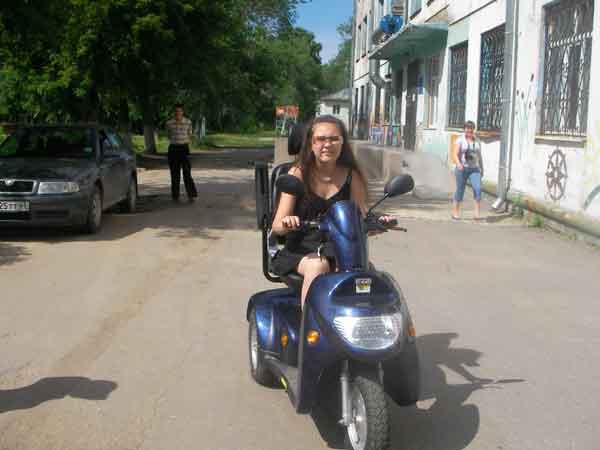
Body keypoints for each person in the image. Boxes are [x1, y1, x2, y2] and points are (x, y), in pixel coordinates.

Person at [271, 115, 392, 306]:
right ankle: (308, 322)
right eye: (320, 139)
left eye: (334, 139)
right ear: (311, 143)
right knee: (318, 266)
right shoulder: (298, 173)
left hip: (342, 250)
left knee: (367, 276)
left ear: (342, 143)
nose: (327, 144)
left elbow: (361, 217)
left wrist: (377, 223)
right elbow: (277, 226)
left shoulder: (352, 176)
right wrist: (287, 222)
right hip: (302, 249)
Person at [452, 121, 484, 220]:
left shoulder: (477, 141)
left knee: (478, 189)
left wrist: (482, 168)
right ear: (464, 129)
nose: (469, 130)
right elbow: (454, 154)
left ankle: (477, 214)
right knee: (460, 190)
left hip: (474, 169)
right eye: (467, 128)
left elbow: (479, 156)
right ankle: (455, 212)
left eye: (471, 128)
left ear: (473, 129)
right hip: (462, 169)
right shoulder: (460, 140)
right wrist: (458, 164)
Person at [166, 103, 198, 203]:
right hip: (173, 149)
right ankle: (175, 196)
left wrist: (190, 141)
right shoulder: (169, 123)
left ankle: (191, 195)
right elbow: (168, 136)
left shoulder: (188, 122)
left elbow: (190, 135)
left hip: (184, 149)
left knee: (187, 172)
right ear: (174, 113)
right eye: (176, 111)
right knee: (174, 173)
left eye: (179, 111)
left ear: (182, 112)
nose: (178, 113)